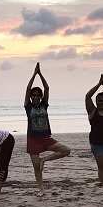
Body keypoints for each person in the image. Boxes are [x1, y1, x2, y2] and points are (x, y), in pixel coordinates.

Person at [24, 62, 71, 195]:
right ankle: (41, 189)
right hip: (33, 139)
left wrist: (40, 74)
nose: (36, 97)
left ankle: (44, 160)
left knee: (66, 150)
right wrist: (34, 74)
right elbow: (27, 89)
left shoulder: (44, 105)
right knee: (36, 168)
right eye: (34, 95)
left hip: (46, 137)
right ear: (31, 97)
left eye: (38, 95)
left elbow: (47, 88)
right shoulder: (28, 107)